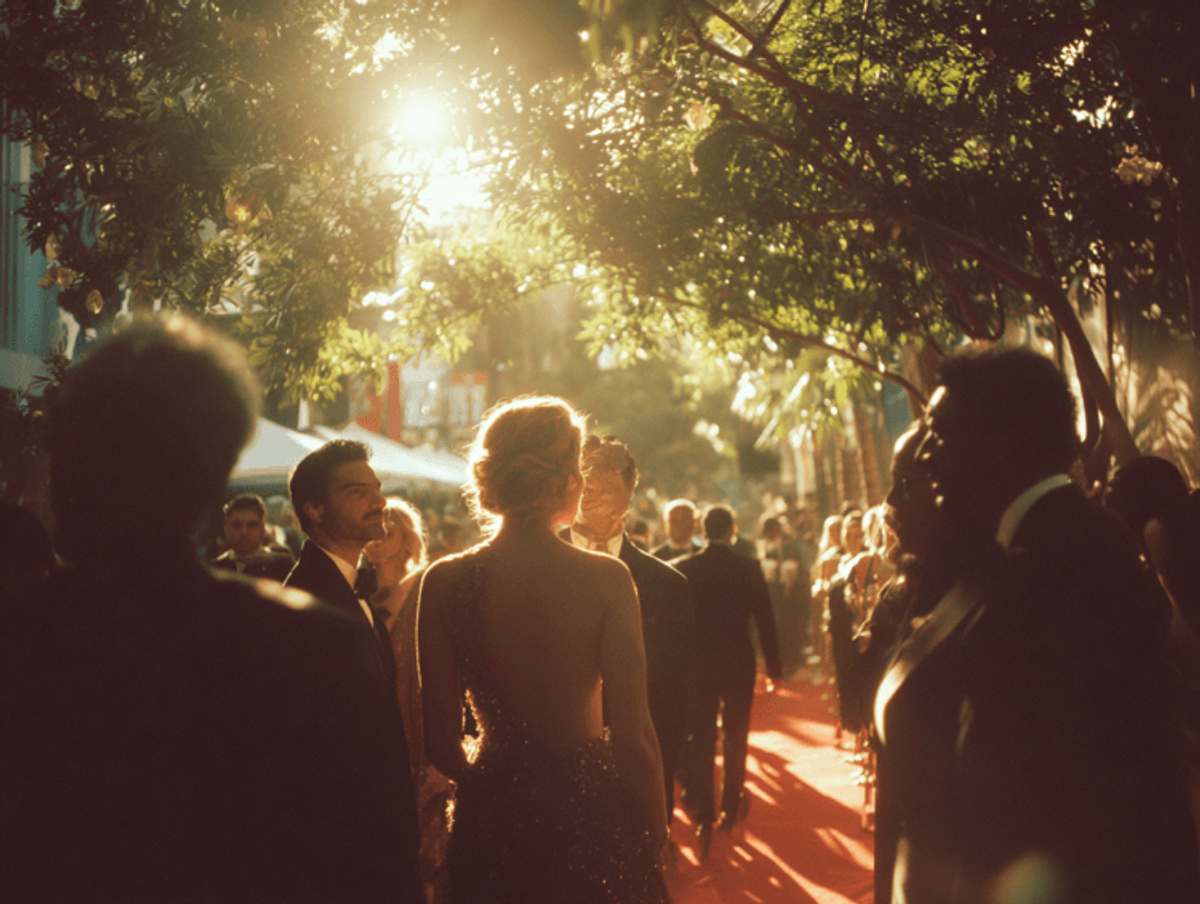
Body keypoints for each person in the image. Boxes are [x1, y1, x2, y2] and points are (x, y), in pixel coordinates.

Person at [0, 314, 423, 904]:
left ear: (72, 461)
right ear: (216, 475)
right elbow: (374, 871)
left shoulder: (22, 640)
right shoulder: (316, 647)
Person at [877, 345, 1200, 903]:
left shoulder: (1054, 562)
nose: (927, 457)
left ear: (999, 440)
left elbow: (1044, 806)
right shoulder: (1033, 548)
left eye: (939, 433)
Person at [418, 396, 670, 903]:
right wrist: (655, 827)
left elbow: (441, 741)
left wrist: (496, 787)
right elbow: (634, 733)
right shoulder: (606, 580)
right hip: (586, 811)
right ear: (566, 478)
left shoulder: (444, 582)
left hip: (491, 816)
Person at [565, 434, 695, 831]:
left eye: (610, 483)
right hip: (553, 772)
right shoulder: (528, 573)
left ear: (631, 489)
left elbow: (676, 700)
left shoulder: (668, 586)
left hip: (636, 771)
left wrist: (660, 778)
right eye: (587, 480)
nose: (597, 492)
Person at [675, 504, 782, 857]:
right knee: (737, 735)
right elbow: (765, 619)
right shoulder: (747, 568)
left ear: (702, 530)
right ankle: (730, 809)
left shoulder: (685, 570)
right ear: (732, 530)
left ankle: (703, 814)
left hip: (700, 666)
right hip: (738, 662)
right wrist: (776, 669)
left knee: (701, 737)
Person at [285, 440, 396, 682]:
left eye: (376, 488)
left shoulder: (353, 585)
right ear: (314, 510)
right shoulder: (304, 605)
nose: (379, 501)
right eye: (356, 491)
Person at [209, 493, 295, 581]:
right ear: (226, 528)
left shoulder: (282, 566)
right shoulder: (213, 570)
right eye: (236, 525)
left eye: (252, 525)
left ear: (262, 528)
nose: (244, 532)